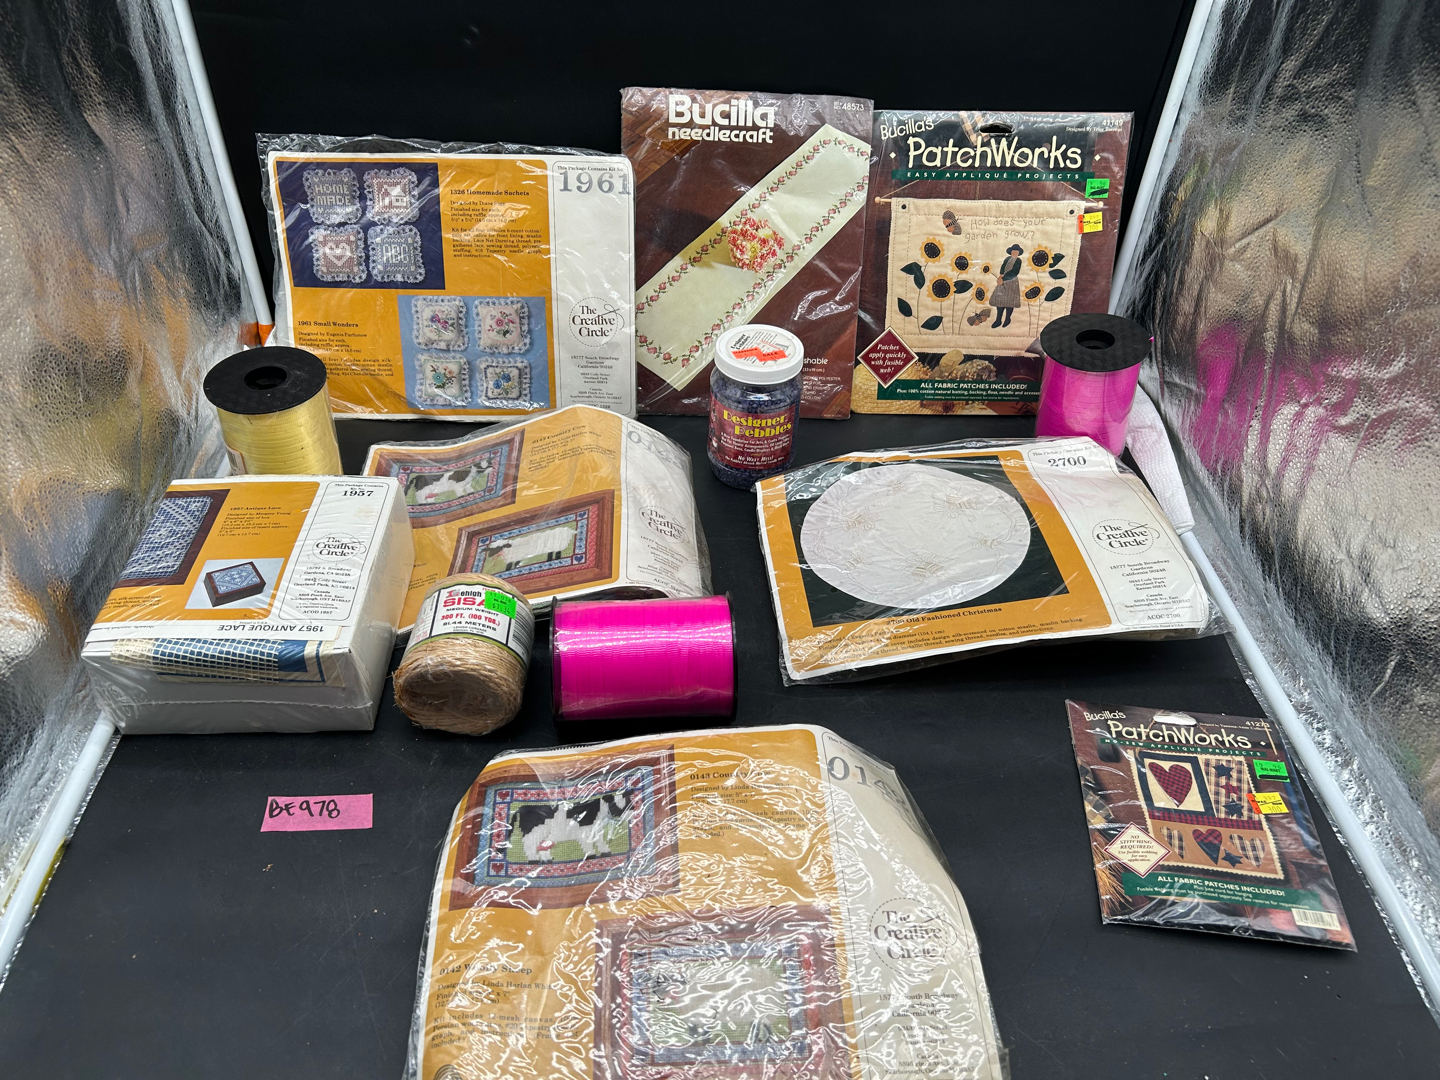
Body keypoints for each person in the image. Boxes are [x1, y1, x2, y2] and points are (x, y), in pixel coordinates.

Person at [991, 244, 1024, 328]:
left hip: (1012, 281)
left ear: (1018, 253)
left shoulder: (1018, 261)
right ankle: (998, 320)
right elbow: (1003, 267)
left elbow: (1015, 272)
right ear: (1011, 252)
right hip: (1002, 280)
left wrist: (1004, 278)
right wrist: (1001, 275)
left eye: (1016, 252)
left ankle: (1007, 319)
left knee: (1010, 302)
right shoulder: (1007, 259)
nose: (1015, 253)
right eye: (1013, 252)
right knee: (1000, 301)